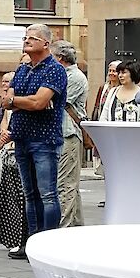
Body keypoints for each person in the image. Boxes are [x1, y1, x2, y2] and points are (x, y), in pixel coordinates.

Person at [5, 24, 67, 254]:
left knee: (48, 194)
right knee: (30, 195)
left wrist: (17, 101)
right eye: (25, 37)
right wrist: (22, 101)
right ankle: (33, 243)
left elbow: (39, 103)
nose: (26, 41)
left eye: (32, 38)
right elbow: (6, 99)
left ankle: (49, 246)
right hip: (22, 138)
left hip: (44, 140)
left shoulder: (55, 70)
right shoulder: (22, 69)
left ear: (46, 43)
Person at [52, 41, 88, 229]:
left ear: (60, 58)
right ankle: (77, 227)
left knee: (65, 185)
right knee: (70, 183)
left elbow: (57, 100)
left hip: (69, 135)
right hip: (61, 135)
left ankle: (63, 228)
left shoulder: (74, 77)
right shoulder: (64, 75)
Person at [0, 73, 28, 255]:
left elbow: (13, 127)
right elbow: (3, 123)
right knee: (8, 198)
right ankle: (11, 238)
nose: (5, 85)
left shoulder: (18, 102)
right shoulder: (6, 104)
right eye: (3, 82)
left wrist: (7, 135)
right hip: (8, 152)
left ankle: (20, 238)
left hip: (17, 151)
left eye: (8, 82)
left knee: (20, 198)